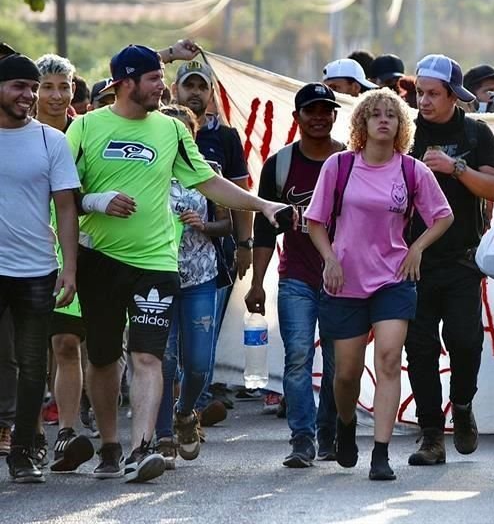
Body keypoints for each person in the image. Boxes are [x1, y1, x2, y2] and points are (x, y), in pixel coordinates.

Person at [67, 44, 288, 483]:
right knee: (106, 358)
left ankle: (142, 447)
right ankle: (111, 445)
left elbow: (209, 182)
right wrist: (96, 200)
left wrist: (262, 205)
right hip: (99, 259)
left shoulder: (170, 132)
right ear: (127, 83)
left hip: (155, 261)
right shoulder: (86, 129)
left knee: (149, 356)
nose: (163, 87)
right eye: (154, 79)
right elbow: (61, 194)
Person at [305, 89, 453, 481]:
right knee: (346, 374)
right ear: (363, 124)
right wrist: (331, 259)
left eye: (391, 115)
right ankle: (347, 423)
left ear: (401, 125)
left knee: (388, 359)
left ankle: (381, 453)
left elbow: (442, 215)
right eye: (376, 115)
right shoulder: (340, 166)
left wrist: (417, 248)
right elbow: (315, 221)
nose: (384, 120)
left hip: (393, 278)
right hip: (346, 280)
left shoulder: (412, 170)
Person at [405, 54, 494, 467]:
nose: (424, 102)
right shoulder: (404, 131)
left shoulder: (476, 132)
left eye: (432, 94)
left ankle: (461, 406)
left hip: (463, 261)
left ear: (454, 97)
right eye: (419, 93)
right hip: (412, 261)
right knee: (420, 348)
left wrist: (455, 166)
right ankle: (431, 434)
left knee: (466, 343)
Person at [246, 83, 345, 468]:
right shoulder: (280, 165)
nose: (319, 117)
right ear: (297, 117)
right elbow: (265, 226)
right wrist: (257, 282)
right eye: (311, 110)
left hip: (344, 280)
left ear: (336, 116)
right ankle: (301, 439)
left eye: (326, 110)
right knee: (298, 358)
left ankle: (330, 432)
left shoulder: (351, 161)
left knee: (340, 364)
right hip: (297, 279)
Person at [0, 52, 80, 483]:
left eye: (33, 88)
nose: (29, 96)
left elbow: (66, 208)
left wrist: (69, 268)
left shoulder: (52, 140)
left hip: (36, 269)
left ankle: (25, 452)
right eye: (20, 86)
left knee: (33, 366)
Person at [153, 105, 233, 470]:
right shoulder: (148, 168)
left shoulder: (209, 172)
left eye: (184, 130)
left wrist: (203, 224)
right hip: (157, 275)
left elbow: (226, 225)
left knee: (198, 364)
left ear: (193, 134)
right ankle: (162, 435)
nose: (178, 136)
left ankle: (185, 413)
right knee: (163, 359)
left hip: (200, 276)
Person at [171, 59, 251, 424]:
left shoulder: (225, 139)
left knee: (200, 348)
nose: (195, 93)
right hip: (157, 266)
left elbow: (239, 198)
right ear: (176, 90)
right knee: (165, 350)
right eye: (189, 86)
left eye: (202, 87)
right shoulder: (156, 135)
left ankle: (195, 405)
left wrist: (245, 244)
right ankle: (169, 417)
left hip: (212, 263)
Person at [35, 54, 94, 473]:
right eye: (48, 87)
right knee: (28, 350)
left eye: (65, 86)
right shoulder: (17, 132)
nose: (56, 96)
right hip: (25, 250)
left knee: (67, 343)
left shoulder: (84, 131)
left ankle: (68, 433)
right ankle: (31, 434)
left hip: (76, 248)